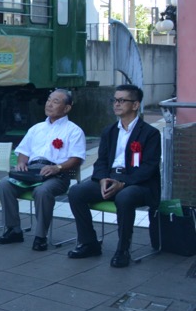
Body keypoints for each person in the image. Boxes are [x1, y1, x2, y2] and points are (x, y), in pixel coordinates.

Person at [66, 85, 161, 267]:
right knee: (76, 192)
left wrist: (122, 183)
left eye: (121, 100)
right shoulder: (109, 131)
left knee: (125, 197)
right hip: (110, 178)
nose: (116, 104)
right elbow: (101, 161)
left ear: (135, 105)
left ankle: (123, 249)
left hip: (139, 184)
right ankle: (89, 243)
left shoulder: (150, 133)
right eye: (114, 100)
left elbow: (149, 167)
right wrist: (102, 179)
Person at [0, 89, 85, 251]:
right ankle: (14, 229)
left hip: (57, 176)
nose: (49, 104)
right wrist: (22, 163)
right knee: (4, 184)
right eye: (49, 100)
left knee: (42, 192)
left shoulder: (74, 131)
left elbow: (76, 159)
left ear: (66, 108)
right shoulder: (36, 128)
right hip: (31, 172)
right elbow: (24, 152)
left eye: (56, 101)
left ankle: (40, 236)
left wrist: (57, 167)